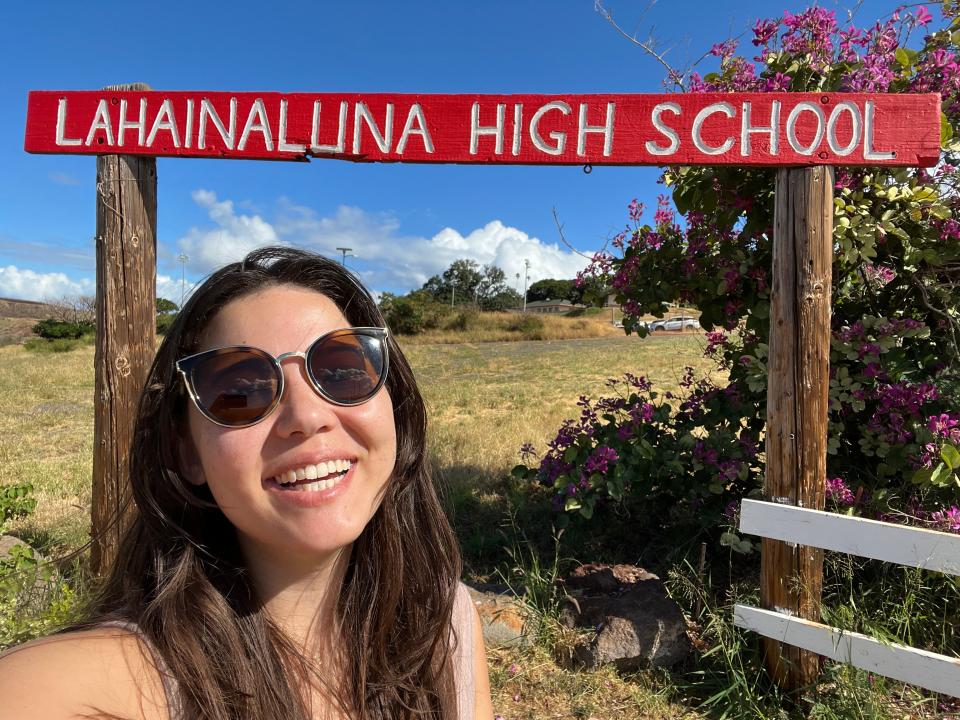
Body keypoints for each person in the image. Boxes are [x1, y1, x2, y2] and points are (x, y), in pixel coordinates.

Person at [0, 246, 494, 720]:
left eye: (342, 369)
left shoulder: (444, 625)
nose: (307, 416)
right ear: (186, 452)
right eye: (240, 390)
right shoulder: (98, 688)